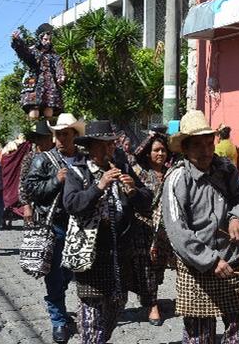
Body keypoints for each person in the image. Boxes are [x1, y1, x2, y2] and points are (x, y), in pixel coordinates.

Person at [161, 110, 239, 344]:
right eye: (197, 145)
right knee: (199, 336)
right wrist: (210, 261)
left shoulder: (226, 169)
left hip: (230, 262)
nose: (206, 150)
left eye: (209, 142)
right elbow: (177, 232)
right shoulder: (176, 179)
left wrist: (238, 218)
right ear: (184, 148)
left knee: (238, 330)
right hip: (196, 268)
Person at [63, 120, 152, 344]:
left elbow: (147, 202)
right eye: (102, 145)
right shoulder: (78, 172)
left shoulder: (123, 167)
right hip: (91, 258)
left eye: (111, 145)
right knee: (91, 325)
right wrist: (98, 186)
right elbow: (72, 204)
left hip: (120, 258)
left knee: (113, 313)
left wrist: (133, 191)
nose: (108, 150)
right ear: (90, 147)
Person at [23, 114, 85, 343]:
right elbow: (31, 189)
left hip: (79, 226)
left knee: (70, 272)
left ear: (75, 136)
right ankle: (58, 320)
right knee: (55, 275)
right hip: (55, 225)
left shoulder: (83, 159)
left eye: (65, 134)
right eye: (57, 134)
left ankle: (58, 304)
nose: (60, 139)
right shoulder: (44, 160)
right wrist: (55, 181)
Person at [129, 132, 173, 326]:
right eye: (156, 150)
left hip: (164, 229)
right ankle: (152, 305)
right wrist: (152, 136)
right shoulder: (140, 171)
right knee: (146, 267)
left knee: (158, 267)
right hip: (143, 227)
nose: (161, 153)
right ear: (148, 152)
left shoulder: (171, 172)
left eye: (163, 150)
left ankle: (150, 297)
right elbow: (132, 155)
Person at [11, 23, 66, 120]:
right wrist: (17, 41)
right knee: (34, 111)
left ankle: (47, 131)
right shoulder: (34, 51)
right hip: (35, 83)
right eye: (45, 39)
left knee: (49, 110)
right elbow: (24, 52)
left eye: (49, 39)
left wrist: (60, 75)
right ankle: (33, 130)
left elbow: (59, 65)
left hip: (50, 84)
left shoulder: (54, 54)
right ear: (40, 39)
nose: (48, 42)